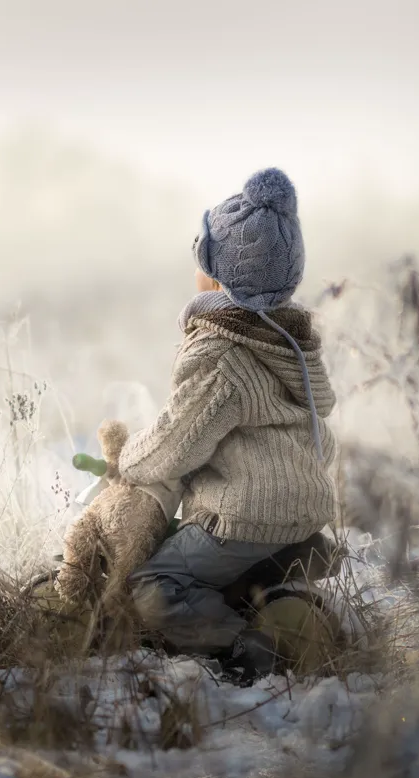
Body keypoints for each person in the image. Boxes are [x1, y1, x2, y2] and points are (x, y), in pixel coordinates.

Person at [118, 167, 338, 680]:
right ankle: (284, 599)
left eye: (202, 260)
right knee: (235, 568)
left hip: (245, 518)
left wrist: (130, 458)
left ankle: (247, 646)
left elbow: (177, 442)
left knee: (153, 588)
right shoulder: (292, 345)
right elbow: (316, 436)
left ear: (218, 277)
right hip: (302, 513)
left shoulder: (220, 354)